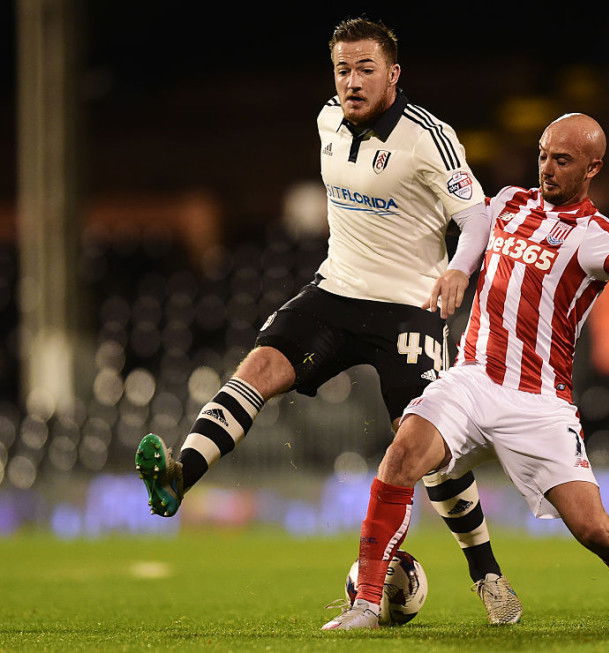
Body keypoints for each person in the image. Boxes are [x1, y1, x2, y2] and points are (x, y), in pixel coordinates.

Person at [321, 113, 609, 630]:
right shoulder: (507, 203)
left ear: (592, 168)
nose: (547, 168)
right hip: (471, 378)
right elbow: (447, 216)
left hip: (537, 401)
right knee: (402, 454)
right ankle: (365, 604)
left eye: (562, 160)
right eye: (543, 155)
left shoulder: (594, 237)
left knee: (596, 531)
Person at [135, 17, 522, 625]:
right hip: (337, 291)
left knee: (426, 452)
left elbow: (476, 217)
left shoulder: (430, 138)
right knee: (259, 366)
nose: (352, 80)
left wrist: (459, 270)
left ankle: (486, 571)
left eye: (366, 68)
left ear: (393, 74)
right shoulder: (326, 122)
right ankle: (181, 475)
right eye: (343, 69)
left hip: (409, 307)